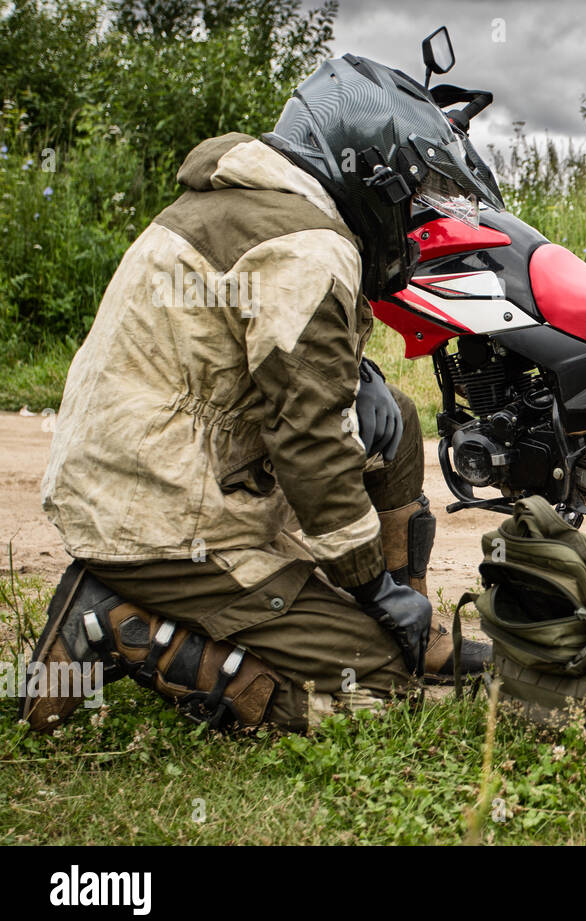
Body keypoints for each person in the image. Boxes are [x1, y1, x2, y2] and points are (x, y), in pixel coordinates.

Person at [23, 53, 501, 733]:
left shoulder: (258, 204)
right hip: (162, 520)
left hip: (150, 471)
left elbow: (294, 385)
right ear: (367, 172)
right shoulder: (305, 246)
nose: (413, 216)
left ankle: (410, 624)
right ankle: (115, 621)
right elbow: (308, 439)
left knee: (388, 412)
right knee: (376, 690)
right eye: (410, 192)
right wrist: (367, 584)